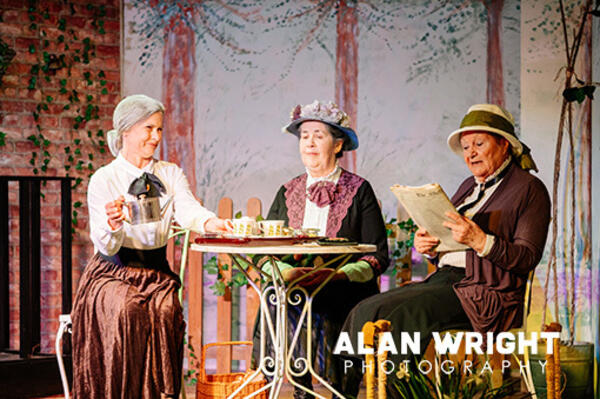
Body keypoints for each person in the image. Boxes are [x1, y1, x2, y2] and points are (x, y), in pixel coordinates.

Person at [340, 104, 551, 397]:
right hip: (448, 280)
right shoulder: (469, 186)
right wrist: (430, 247)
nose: (471, 153)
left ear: (504, 143)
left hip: (488, 289)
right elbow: (451, 241)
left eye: (479, 144)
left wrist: (481, 240)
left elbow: (527, 258)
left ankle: (402, 394)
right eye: (466, 147)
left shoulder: (530, 189)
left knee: (400, 317)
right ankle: (345, 393)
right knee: (366, 309)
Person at [71, 94, 231, 399]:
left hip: (156, 272)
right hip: (112, 272)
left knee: (167, 309)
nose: (156, 137)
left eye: (159, 129)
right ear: (126, 131)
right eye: (148, 128)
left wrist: (212, 223)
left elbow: (187, 209)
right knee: (128, 308)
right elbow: (104, 242)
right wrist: (114, 224)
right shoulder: (104, 179)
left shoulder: (169, 174)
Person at [252, 100, 389, 398]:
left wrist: (338, 275)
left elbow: (378, 256)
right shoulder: (288, 191)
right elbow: (262, 251)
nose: (309, 143)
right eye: (304, 136)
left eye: (319, 135)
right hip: (294, 289)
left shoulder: (359, 190)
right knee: (277, 297)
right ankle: (296, 390)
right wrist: (287, 273)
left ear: (338, 145)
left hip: (342, 289)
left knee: (331, 306)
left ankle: (338, 391)